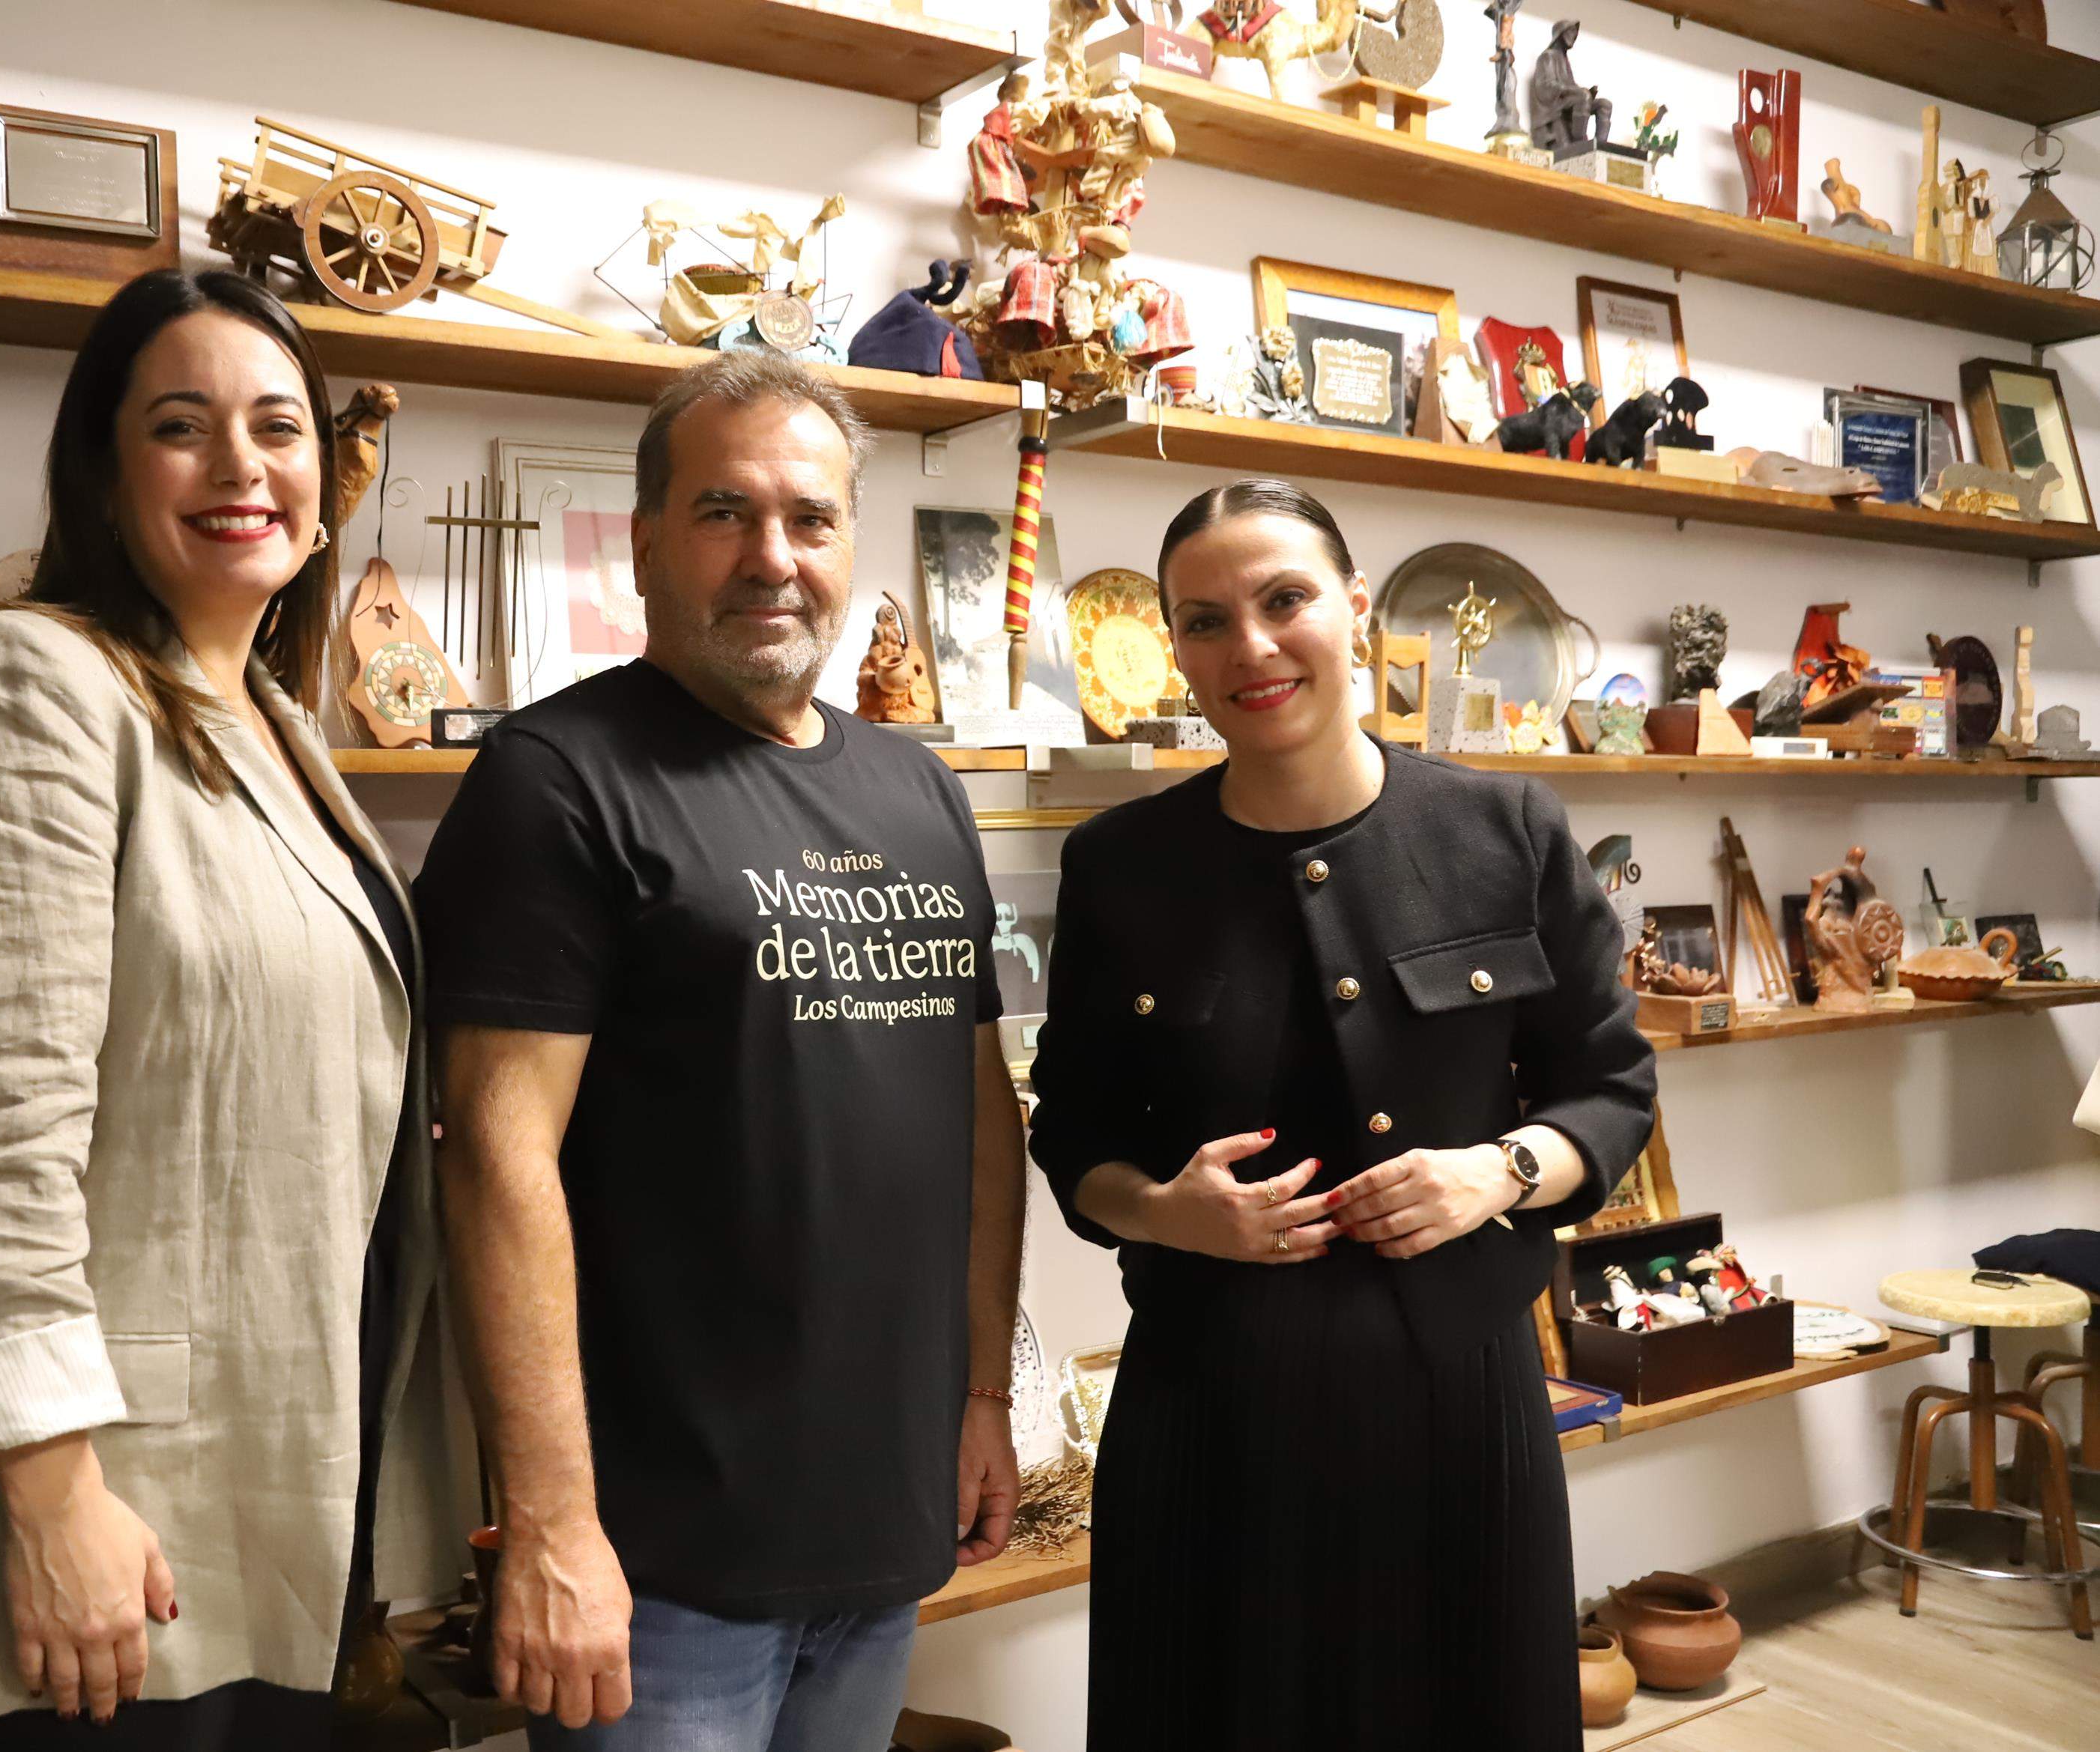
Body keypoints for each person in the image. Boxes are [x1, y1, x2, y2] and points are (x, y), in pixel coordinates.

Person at [0, 269, 462, 1748]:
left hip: (263, 1492)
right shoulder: (22, 684)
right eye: (185, 425)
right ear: (104, 475)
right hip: (94, 1533)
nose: (244, 465)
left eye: (279, 426)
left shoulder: (279, 725)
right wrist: (54, 1499)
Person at [415, 351, 1028, 1751]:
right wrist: (552, 1522)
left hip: (884, 1523)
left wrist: (982, 1394)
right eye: (723, 515)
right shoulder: (557, 779)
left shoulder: (917, 784)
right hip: (661, 1568)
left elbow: (978, 1120)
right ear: (643, 545)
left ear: (850, 547)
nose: (773, 557)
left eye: (810, 520)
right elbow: (493, 1161)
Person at [1028, 480, 1656, 1746]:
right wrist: (1163, 1214)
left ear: (1356, 610)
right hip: (1208, 1415)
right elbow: (1071, 1132)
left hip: (1458, 1409)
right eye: (1203, 622)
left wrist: (1502, 1170)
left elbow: (1611, 1086)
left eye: (1285, 600)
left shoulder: (1504, 829)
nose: (1249, 649)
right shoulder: (1119, 867)